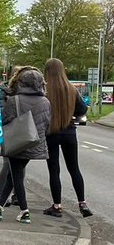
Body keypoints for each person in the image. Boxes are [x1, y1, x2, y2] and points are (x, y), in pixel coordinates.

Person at [0, 67, 51, 224]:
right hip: (33, 143)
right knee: (13, 175)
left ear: (21, 82)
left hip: (17, 143)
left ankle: (24, 211)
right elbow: (47, 124)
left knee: (16, 177)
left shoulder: (14, 100)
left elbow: (2, 117)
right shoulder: (45, 101)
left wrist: (2, 100)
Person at [41, 59, 93, 218]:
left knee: (54, 170)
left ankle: (57, 206)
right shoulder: (71, 89)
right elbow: (83, 110)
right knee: (74, 169)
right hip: (69, 132)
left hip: (51, 133)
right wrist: (71, 116)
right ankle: (82, 203)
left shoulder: (44, 90)